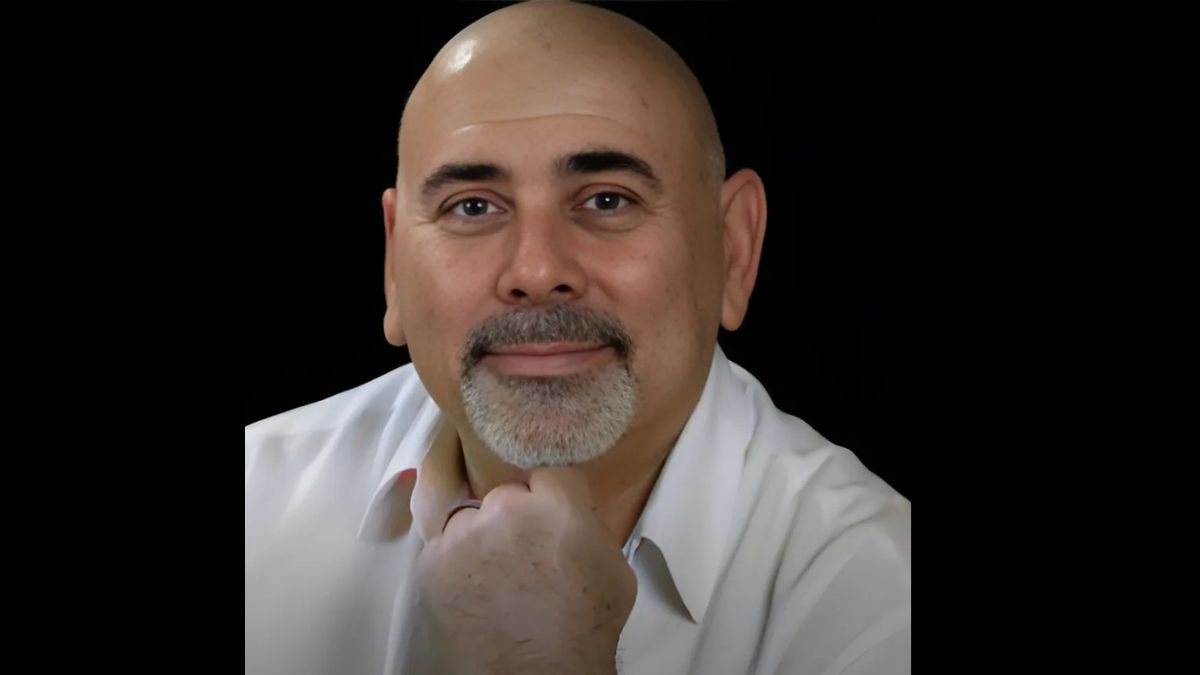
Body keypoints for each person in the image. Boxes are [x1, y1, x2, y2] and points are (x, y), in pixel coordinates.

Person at [245, 2, 910, 673]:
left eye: (606, 200)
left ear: (733, 250)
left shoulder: (879, 595)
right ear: (393, 264)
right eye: (472, 206)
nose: (536, 272)